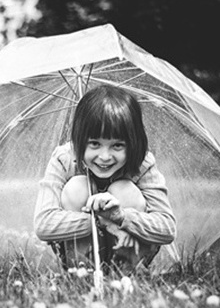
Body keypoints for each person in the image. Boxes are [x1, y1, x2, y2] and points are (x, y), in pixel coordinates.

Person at [34, 84, 176, 272]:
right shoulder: (64, 158)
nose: (104, 156)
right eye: (94, 143)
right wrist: (102, 221)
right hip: (80, 259)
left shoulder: (143, 163)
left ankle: (125, 271)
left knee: (123, 190)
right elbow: (44, 224)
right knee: (77, 187)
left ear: (133, 143)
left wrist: (121, 217)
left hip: (129, 254)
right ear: (79, 138)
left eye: (117, 145)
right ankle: (84, 271)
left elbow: (166, 228)